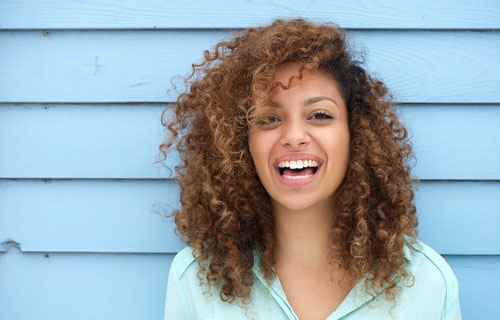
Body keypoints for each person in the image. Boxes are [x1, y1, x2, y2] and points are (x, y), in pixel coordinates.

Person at [159, 18, 461, 320]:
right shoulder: (195, 280)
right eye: (268, 119)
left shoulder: (427, 283)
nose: (293, 136)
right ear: (240, 144)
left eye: (319, 115)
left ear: (355, 133)